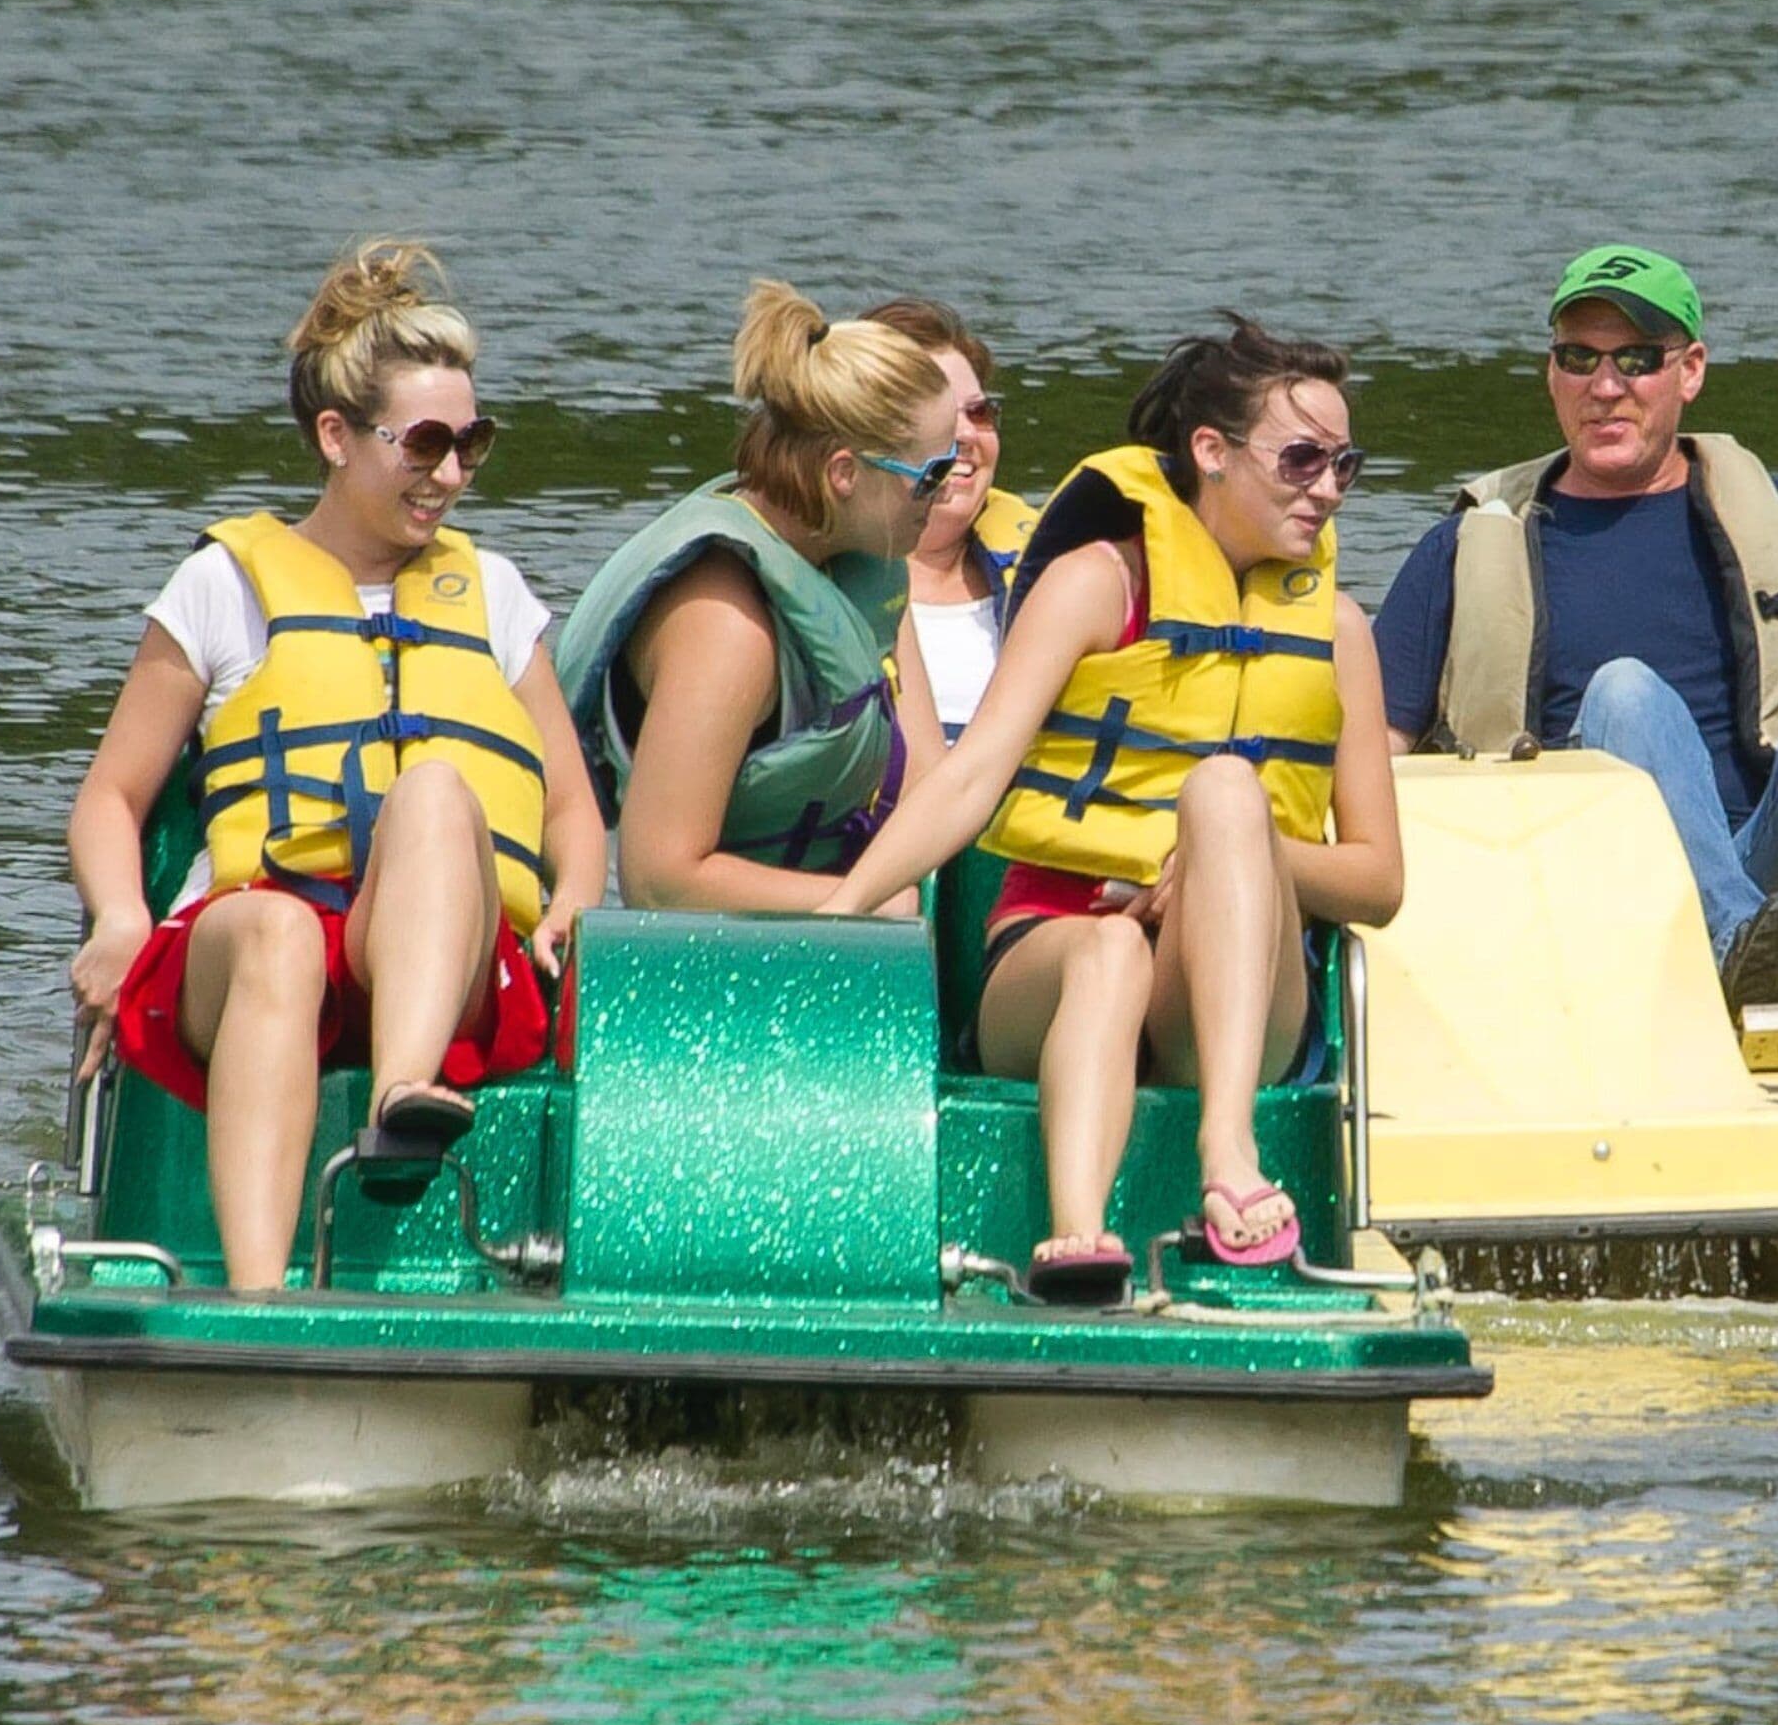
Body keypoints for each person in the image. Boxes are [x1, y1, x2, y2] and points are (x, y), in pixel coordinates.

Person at [818, 320, 1402, 1301]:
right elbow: (970, 779)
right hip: (1053, 953)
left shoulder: (1338, 630)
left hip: (1228, 995)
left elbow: (1379, 883)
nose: (1329, 489)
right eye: (1301, 459)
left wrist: (1240, 862)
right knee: (1108, 950)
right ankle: (1079, 1241)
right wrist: (844, 912)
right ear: (1211, 453)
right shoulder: (1097, 585)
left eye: (1346, 464)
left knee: (1226, 794)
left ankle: (1227, 1149)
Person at [67, 242, 603, 1291]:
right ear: (336, 436)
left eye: (472, 443)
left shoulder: (491, 594)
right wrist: (122, 918)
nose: (451, 474)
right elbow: (110, 798)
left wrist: (571, 902)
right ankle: (259, 1305)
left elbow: (575, 812)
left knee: (440, 790)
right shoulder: (225, 586)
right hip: (262, 945)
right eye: (427, 443)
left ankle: (403, 1093)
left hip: (439, 960)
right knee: (274, 933)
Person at [1373, 245, 1778, 1068]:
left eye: (1636, 360)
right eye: (1579, 358)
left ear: (1689, 372)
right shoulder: (1464, 544)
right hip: (1582, 891)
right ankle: (1746, 955)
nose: (1606, 386)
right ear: (1551, 374)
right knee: (1626, 692)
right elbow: (1369, 754)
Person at [548, 283, 968, 912]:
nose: (952, 486)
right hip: (719, 969)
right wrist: (862, 899)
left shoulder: (859, 570)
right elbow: (658, 879)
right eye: (932, 473)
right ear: (844, 474)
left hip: (837, 921)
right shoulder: (727, 628)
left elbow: (930, 786)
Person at [860, 297, 1032, 742]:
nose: (966, 436)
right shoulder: (813, 579)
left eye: (979, 413)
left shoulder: (1055, 569)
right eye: (934, 416)